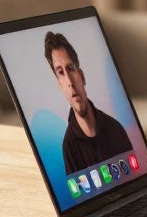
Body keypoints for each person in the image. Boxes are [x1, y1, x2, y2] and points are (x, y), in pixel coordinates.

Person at [45, 31, 134, 175]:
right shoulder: (68, 147)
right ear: (60, 85)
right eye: (61, 72)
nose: (70, 82)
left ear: (81, 76)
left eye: (70, 69)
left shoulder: (116, 129)